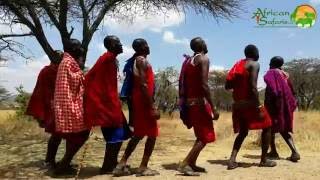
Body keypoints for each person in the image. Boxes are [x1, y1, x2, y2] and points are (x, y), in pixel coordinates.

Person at [113, 38, 160, 177]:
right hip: (144, 102)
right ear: (141, 47)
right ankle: (143, 167)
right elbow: (144, 84)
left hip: (140, 101)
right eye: (145, 44)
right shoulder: (141, 61)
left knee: (139, 134)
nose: (148, 46)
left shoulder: (137, 60)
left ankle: (121, 164)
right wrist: (152, 106)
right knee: (152, 135)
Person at [225, 44, 277, 170]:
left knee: (243, 132)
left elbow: (227, 86)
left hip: (238, 104)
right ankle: (263, 160)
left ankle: (232, 160)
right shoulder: (254, 64)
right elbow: (253, 86)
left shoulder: (237, 65)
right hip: (250, 103)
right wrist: (258, 104)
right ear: (254, 53)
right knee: (268, 125)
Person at [84, 35, 130, 174]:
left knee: (121, 134)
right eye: (118, 43)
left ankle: (111, 163)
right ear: (111, 45)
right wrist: (97, 100)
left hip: (111, 104)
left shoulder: (111, 59)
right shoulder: (106, 59)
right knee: (116, 136)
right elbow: (90, 77)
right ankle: (107, 166)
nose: (121, 45)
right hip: (106, 106)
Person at [177, 37, 219, 176]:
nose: (206, 43)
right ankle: (185, 164)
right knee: (205, 136)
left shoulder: (189, 61)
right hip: (200, 104)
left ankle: (192, 163)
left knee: (200, 135)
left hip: (190, 103)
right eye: (204, 42)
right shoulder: (203, 59)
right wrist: (213, 107)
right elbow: (204, 85)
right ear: (200, 45)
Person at [53, 39, 90, 176]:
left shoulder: (67, 61)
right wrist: (81, 72)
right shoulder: (68, 62)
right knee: (82, 133)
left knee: (73, 137)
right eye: (79, 46)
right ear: (73, 48)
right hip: (70, 104)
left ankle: (65, 164)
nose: (81, 48)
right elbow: (75, 80)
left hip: (69, 103)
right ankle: (63, 165)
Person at [26, 50, 63, 168]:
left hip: (52, 106)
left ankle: (52, 160)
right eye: (61, 57)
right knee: (57, 135)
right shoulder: (55, 71)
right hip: (55, 107)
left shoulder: (46, 70)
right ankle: (49, 161)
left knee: (58, 135)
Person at [264, 56, 300, 162]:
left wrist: (269, 105)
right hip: (286, 105)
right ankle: (292, 152)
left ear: (272, 64)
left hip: (275, 105)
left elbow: (273, 89)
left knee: (269, 128)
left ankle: (275, 152)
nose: (269, 65)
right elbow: (292, 91)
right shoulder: (285, 75)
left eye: (270, 63)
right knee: (282, 129)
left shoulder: (272, 73)